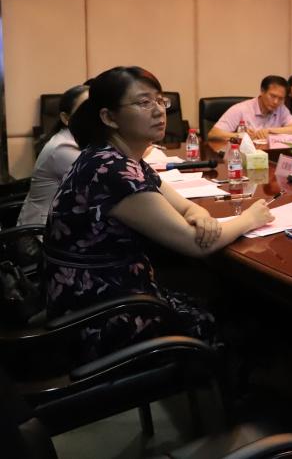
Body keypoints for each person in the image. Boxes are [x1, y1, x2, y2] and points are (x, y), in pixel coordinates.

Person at [46, 66, 274, 364]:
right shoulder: (111, 171)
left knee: (228, 299)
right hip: (100, 314)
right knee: (241, 315)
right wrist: (250, 218)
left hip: (115, 290)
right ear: (109, 117)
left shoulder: (121, 158)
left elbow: (185, 206)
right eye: (144, 102)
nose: (159, 111)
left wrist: (201, 214)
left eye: (159, 100)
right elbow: (195, 244)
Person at [17, 84, 89, 227]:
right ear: (66, 118)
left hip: (63, 222)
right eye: (85, 109)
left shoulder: (81, 140)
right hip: (41, 230)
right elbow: (101, 183)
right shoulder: (63, 148)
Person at [207, 75, 292, 141]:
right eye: (273, 96)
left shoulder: (281, 109)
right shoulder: (241, 109)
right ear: (262, 91)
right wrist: (241, 136)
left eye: (281, 98)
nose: (276, 102)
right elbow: (214, 134)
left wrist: (269, 131)